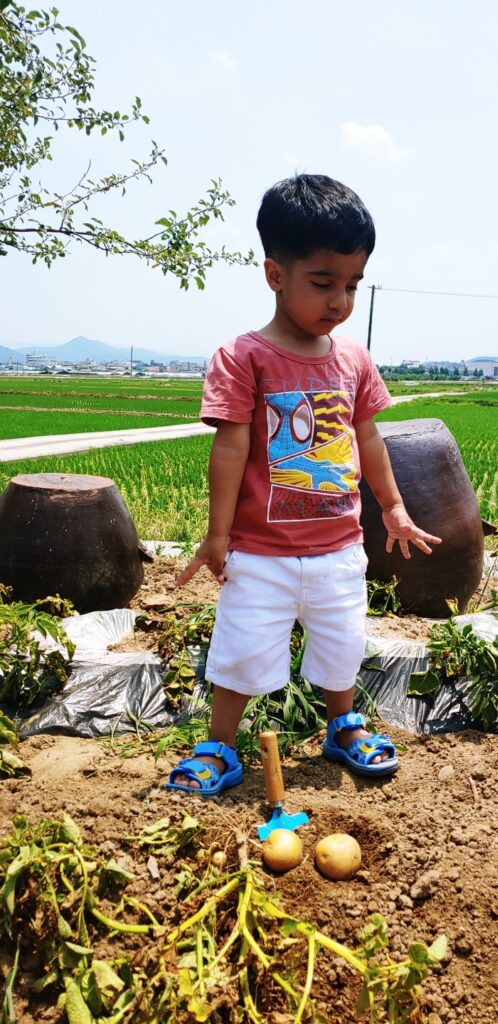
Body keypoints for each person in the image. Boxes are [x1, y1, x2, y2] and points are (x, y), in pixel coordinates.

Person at [166, 173, 441, 797]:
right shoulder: (244, 356)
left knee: (342, 643)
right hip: (259, 548)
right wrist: (216, 535)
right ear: (275, 275)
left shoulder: (353, 361)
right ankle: (220, 746)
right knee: (239, 648)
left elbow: (367, 439)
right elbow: (230, 445)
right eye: (323, 283)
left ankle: (342, 726)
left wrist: (393, 508)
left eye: (351, 285)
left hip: (338, 546)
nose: (339, 301)